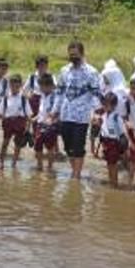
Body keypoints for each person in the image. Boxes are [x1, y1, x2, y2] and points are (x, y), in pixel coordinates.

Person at [53, 41, 100, 179]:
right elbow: (59, 92)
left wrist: (96, 113)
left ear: (82, 53)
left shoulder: (91, 72)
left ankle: (76, 175)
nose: (73, 57)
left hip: (82, 117)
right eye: (71, 54)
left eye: (76, 54)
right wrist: (54, 111)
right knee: (68, 147)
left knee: (78, 147)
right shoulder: (64, 70)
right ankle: (75, 171)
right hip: (65, 114)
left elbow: (96, 94)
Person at [0, 74, 31, 168]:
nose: (15, 88)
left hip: (20, 123)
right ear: (10, 85)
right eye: (12, 86)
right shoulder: (5, 98)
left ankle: (14, 164)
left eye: (17, 86)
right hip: (8, 122)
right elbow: (0, 112)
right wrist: (2, 117)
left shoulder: (23, 99)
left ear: (20, 86)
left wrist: (28, 128)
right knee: (5, 143)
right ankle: (1, 163)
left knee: (17, 145)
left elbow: (28, 114)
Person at [98, 93, 126, 189]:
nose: (106, 107)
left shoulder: (117, 118)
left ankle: (115, 183)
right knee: (109, 164)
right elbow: (103, 129)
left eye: (108, 105)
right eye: (104, 105)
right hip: (106, 142)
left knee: (113, 164)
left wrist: (123, 148)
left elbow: (122, 133)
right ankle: (111, 181)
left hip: (114, 142)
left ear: (114, 106)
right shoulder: (103, 116)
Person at [34, 73, 59, 172]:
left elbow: (58, 111)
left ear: (49, 86)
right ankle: (39, 165)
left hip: (50, 125)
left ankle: (49, 167)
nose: (40, 88)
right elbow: (41, 111)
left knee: (50, 147)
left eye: (42, 86)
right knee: (38, 145)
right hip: (40, 124)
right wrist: (35, 118)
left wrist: (52, 120)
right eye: (40, 86)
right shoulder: (43, 96)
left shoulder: (55, 97)